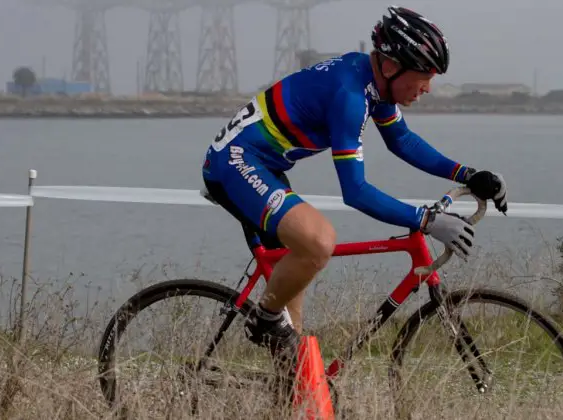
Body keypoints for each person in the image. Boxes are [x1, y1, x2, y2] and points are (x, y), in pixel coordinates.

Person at [200, 6, 507, 367]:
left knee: (294, 323)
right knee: (318, 242)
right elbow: (355, 191)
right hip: (235, 162)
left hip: (264, 166)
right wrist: (425, 220)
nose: (427, 88)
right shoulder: (350, 95)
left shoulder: (373, 84)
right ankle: (264, 320)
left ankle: (293, 396)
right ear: (392, 67)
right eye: (424, 75)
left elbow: (402, 141)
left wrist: (467, 174)